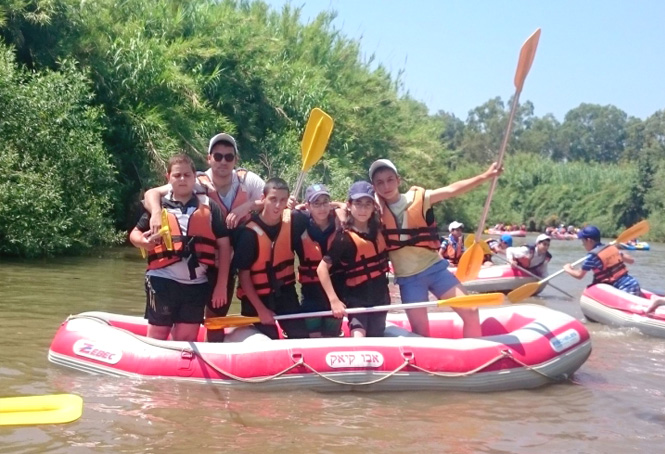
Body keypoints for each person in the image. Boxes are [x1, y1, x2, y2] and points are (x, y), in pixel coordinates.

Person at [143, 133, 265, 340]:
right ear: (209, 158)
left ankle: (213, 345)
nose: (223, 162)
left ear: (235, 159)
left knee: (217, 309)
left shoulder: (248, 180)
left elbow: (277, 199)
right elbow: (152, 194)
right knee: (189, 305)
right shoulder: (193, 180)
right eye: (218, 156)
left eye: (228, 157)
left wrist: (249, 206)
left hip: (228, 258)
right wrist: (155, 213)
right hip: (200, 260)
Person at [369, 158, 503, 338]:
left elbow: (452, 190)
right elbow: (347, 208)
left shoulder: (421, 198)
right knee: (420, 332)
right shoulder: (372, 209)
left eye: (390, 179)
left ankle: (473, 359)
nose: (386, 185)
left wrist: (485, 176)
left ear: (398, 180)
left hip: (435, 270)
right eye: (380, 182)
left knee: (471, 311)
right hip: (409, 280)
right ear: (374, 187)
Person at [129, 154, 231, 341]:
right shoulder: (158, 208)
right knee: (158, 336)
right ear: (168, 178)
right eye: (177, 175)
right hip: (162, 281)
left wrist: (221, 285)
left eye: (186, 175)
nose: (182, 179)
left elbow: (224, 247)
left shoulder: (210, 208)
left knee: (186, 339)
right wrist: (143, 242)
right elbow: (134, 234)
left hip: (196, 285)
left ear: (195, 177)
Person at [233, 177, 309, 339]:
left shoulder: (294, 221)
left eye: (283, 200)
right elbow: (244, 277)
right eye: (273, 199)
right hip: (256, 299)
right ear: (263, 199)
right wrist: (261, 310)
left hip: (285, 293)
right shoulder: (248, 234)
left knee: (301, 337)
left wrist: (339, 208)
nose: (277, 205)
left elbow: (322, 214)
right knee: (268, 340)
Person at [317, 181, 390, 337]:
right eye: (358, 204)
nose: (363, 209)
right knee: (359, 337)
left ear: (373, 207)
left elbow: (384, 199)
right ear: (349, 205)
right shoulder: (343, 238)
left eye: (367, 204)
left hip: (381, 298)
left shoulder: (380, 229)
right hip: (357, 301)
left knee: (377, 337)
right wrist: (334, 300)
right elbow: (321, 268)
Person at [563, 226, 665, 312]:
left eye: (583, 241)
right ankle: (656, 300)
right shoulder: (611, 248)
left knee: (638, 310)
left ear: (589, 240)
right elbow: (631, 261)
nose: (582, 244)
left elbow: (579, 275)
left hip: (625, 289)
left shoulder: (591, 257)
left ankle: (656, 301)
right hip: (633, 283)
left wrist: (567, 269)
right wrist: (616, 250)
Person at [293, 184, 344, 337]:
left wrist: (339, 206)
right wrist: (299, 206)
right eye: (316, 203)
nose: (322, 208)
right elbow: (284, 212)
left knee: (331, 336)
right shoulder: (300, 222)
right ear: (308, 206)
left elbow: (348, 206)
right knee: (314, 336)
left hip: (337, 289)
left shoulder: (339, 221)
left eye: (325, 202)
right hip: (311, 293)